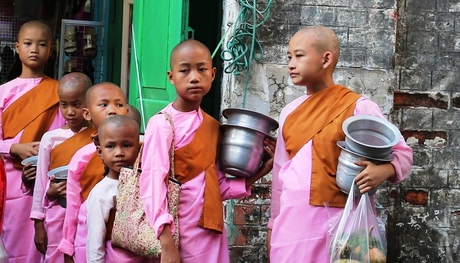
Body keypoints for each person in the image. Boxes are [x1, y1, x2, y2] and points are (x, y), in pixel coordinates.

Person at [266, 25, 414, 262]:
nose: (291, 64)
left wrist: (384, 170)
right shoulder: (289, 112)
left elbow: (403, 152)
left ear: (326, 59)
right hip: (292, 223)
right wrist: (273, 224)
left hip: (340, 220)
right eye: (289, 57)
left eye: (299, 55)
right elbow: (279, 174)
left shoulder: (358, 107)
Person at [139, 39, 276, 263]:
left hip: (210, 230)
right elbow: (152, 184)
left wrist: (260, 172)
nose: (194, 77)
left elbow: (217, 188)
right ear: (171, 77)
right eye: (184, 70)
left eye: (201, 69)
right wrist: (166, 242)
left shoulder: (213, 127)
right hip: (176, 233)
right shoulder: (163, 124)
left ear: (213, 74)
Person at [0, 20, 66, 263]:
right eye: (28, 43)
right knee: (10, 238)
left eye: (42, 44)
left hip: (43, 180)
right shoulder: (4, 92)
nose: (34, 49)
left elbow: (64, 137)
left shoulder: (59, 92)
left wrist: (45, 164)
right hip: (8, 180)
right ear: (17, 47)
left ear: (51, 49)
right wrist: (15, 148)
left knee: (40, 242)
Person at [58, 82, 129, 263]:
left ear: (127, 111)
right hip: (87, 237)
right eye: (104, 105)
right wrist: (68, 246)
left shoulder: (137, 151)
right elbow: (73, 206)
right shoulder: (81, 157)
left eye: (119, 104)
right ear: (87, 114)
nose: (112, 110)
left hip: (127, 241)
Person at [29, 72, 92, 263]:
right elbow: (40, 183)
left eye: (76, 104)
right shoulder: (50, 138)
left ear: (88, 103)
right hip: (57, 212)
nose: (70, 111)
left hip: (86, 213)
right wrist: (38, 224)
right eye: (64, 105)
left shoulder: (97, 134)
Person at [86, 115, 154, 262]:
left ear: (139, 147)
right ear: (100, 151)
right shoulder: (101, 193)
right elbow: (95, 241)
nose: (119, 153)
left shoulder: (147, 182)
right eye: (110, 146)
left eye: (127, 145)